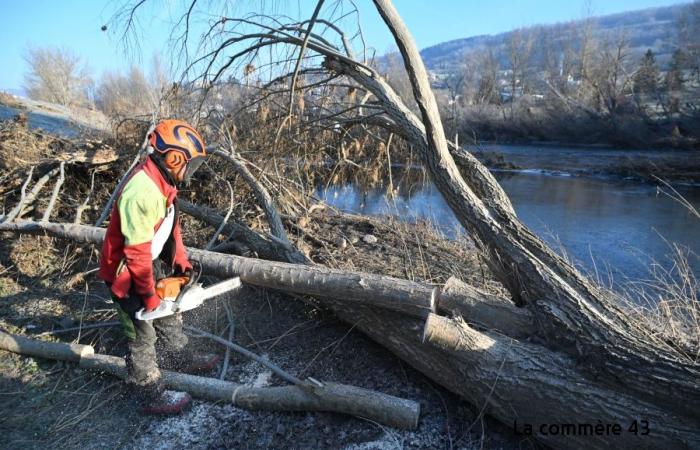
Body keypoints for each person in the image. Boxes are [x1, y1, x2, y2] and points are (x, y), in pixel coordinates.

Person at [99, 119, 219, 414]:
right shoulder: (142, 190)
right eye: (189, 165)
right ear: (174, 158)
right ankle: (147, 390)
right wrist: (147, 294)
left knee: (169, 311)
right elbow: (136, 252)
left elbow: (169, 228)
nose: (190, 173)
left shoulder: (163, 182)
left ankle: (181, 356)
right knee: (141, 333)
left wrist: (180, 262)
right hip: (125, 274)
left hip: (146, 263)